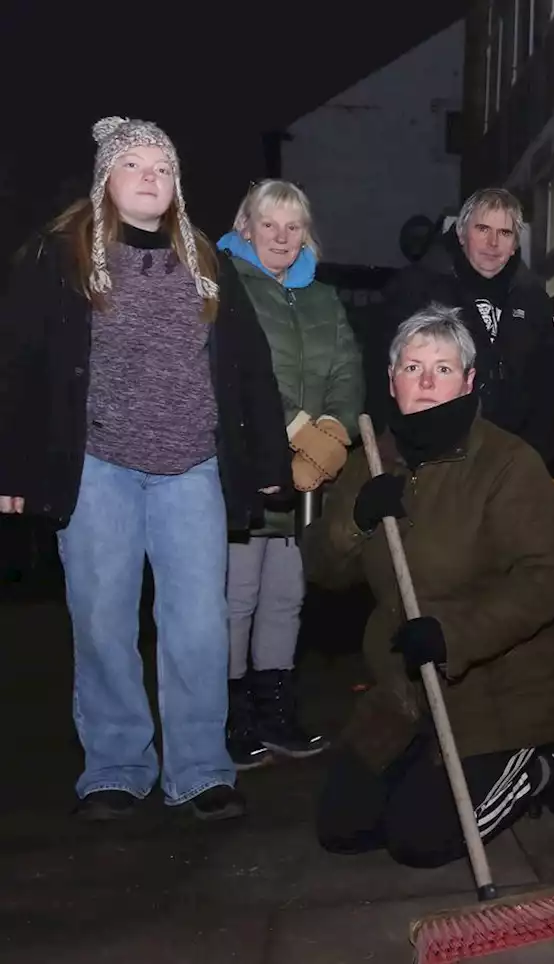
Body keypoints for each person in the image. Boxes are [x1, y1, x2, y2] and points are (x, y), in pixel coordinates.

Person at [0, 117, 290, 821]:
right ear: (106, 179)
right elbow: (18, 365)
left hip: (192, 467)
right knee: (102, 621)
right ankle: (116, 767)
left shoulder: (207, 262)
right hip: (97, 468)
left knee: (197, 625)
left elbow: (250, 367)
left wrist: (269, 460)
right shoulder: (59, 257)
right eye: (134, 164)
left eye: (163, 165)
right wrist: (13, 463)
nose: (151, 175)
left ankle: (199, 770)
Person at [309, 306, 554, 868]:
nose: (428, 382)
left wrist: (452, 635)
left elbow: (543, 580)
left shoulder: (507, 463)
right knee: (343, 828)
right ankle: (421, 760)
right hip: (403, 693)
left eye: (443, 368)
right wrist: (356, 520)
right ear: (392, 382)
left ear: (469, 380)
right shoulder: (371, 462)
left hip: (493, 693)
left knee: (421, 841)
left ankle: (541, 763)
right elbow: (323, 569)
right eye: (412, 368)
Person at [216, 180, 364, 769]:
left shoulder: (324, 298)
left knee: (286, 596)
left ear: (307, 233)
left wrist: (333, 430)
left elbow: (350, 368)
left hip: (311, 472)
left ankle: (275, 714)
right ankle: (228, 718)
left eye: (293, 226)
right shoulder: (224, 286)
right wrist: (297, 427)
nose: (281, 237)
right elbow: (228, 374)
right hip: (248, 465)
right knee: (237, 595)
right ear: (246, 226)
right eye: (268, 224)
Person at [368, 188, 554, 466]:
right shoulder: (416, 289)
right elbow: (380, 367)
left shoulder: (534, 300)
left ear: (516, 244)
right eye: (483, 228)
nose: (493, 242)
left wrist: (538, 459)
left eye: (505, 233)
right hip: (434, 457)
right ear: (460, 234)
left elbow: (546, 386)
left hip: (513, 460)